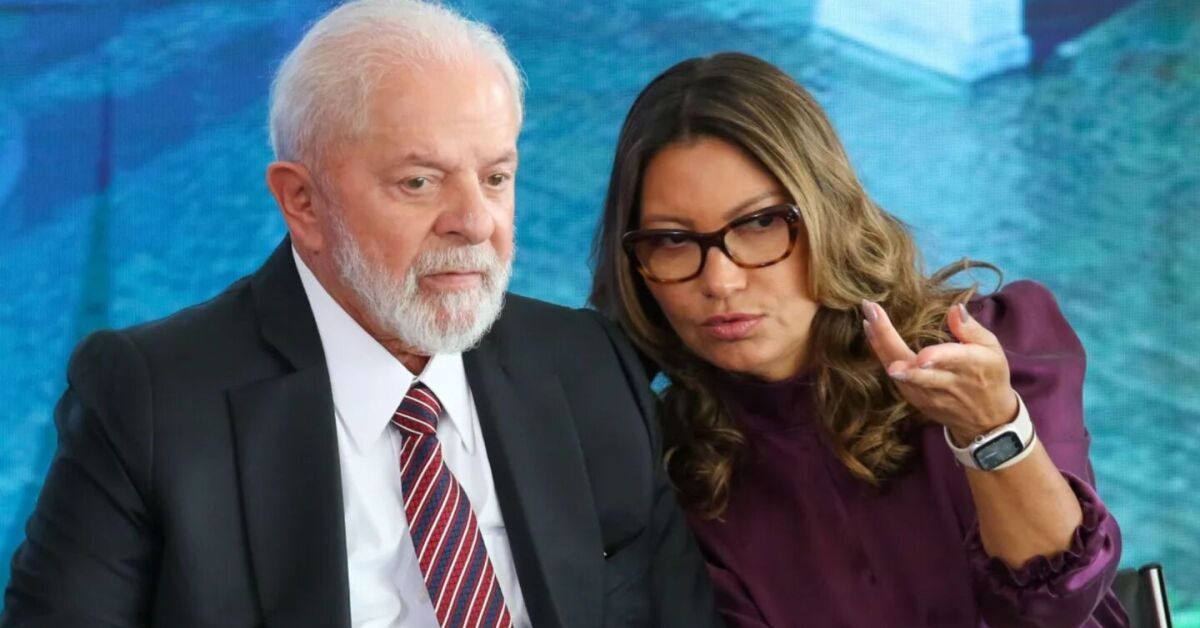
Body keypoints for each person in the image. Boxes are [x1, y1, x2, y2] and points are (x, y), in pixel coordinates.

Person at [0, 2, 722, 627]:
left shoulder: (588, 366)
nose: (475, 221)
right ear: (303, 202)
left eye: (496, 177)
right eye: (420, 181)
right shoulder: (152, 400)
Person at [590, 52, 1128, 627]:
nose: (720, 281)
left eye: (760, 223)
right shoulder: (663, 469)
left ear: (829, 215)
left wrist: (990, 429)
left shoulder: (991, 349)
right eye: (672, 240)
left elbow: (1057, 605)